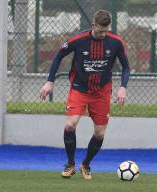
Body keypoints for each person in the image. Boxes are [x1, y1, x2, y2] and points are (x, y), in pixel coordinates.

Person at [39, 10, 130, 180]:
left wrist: (123, 87)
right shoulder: (78, 40)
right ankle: (70, 164)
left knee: (100, 134)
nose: (103, 34)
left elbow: (126, 67)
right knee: (70, 125)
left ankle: (86, 164)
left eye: (106, 30)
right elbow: (58, 56)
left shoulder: (116, 42)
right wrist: (49, 81)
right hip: (79, 88)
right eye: (100, 30)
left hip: (102, 92)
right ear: (93, 25)